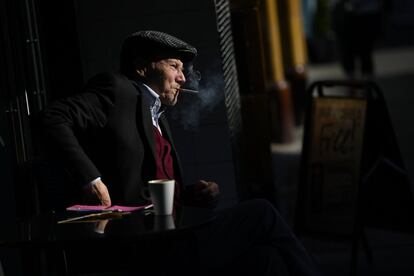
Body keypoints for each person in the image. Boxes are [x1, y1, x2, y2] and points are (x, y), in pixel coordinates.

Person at [40, 30, 322, 275]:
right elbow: (52, 117)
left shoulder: (158, 117)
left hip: (175, 240)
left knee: (267, 261)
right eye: (175, 66)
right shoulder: (118, 91)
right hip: (147, 250)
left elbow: (148, 185)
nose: (182, 78)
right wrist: (91, 180)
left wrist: (189, 195)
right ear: (141, 67)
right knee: (262, 213)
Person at [332, 0, 390, 79]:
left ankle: (366, 84)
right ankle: (351, 82)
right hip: (343, 11)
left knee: (365, 51)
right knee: (346, 50)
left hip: (366, 13)